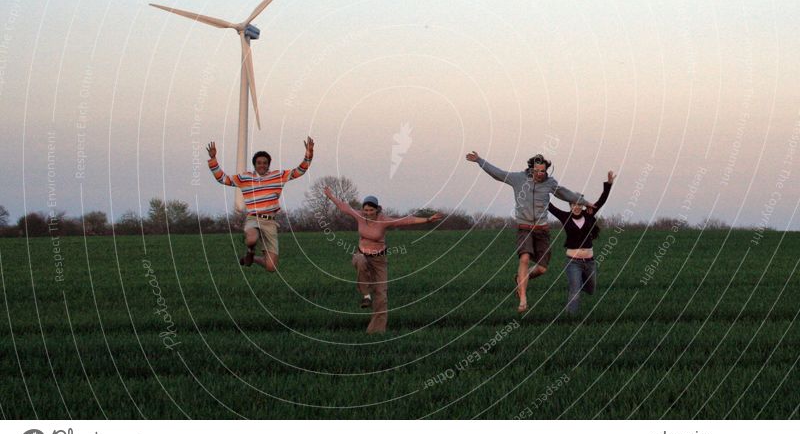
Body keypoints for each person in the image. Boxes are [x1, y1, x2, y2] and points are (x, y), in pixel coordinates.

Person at [466, 151, 592, 313]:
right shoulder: (518, 178)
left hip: (542, 230)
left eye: (543, 171)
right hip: (524, 228)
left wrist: (585, 202)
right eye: (537, 170)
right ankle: (523, 300)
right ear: (530, 169)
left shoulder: (550, 183)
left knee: (542, 269)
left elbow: (565, 193)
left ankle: (521, 279)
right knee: (524, 259)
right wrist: (479, 160)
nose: (540, 174)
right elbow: (498, 173)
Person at [324, 187, 443, 334]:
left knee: (381, 297)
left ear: (377, 210)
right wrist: (330, 196)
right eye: (365, 210)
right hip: (362, 254)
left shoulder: (384, 220)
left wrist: (427, 219)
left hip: (379, 260)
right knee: (360, 260)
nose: (368, 213)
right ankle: (366, 296)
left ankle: (376, 331)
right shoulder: (359, 215)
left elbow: (406, 221)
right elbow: (344, 207)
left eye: (371, 210)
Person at [206, 138, 314, 271]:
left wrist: (309, 154)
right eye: (259, 163)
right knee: (251, 239)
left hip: (270, 223)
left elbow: (299, 171)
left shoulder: (278, 176)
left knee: (271, 267)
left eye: (265, 163)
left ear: (269, 164)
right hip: (254, 218)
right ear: (254, 164)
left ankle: (252, 258)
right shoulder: (244, 178)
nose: (262, 165)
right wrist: (213, 159)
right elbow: (222, 178)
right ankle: (251, 249)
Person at [548, 171, 616, 315]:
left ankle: (579, 284)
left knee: (591, 289)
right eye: (573, 204)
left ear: (583, 205)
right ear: (570, 205)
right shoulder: (565, 217)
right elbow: (550, 206)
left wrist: (608, 185)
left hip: (590, 261)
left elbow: (602, 200)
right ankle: (570, 317)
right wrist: (540, 189)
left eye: (579, 204)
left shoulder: (589, 214)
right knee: (575, 291)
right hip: (573, 261)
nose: (577, 207)